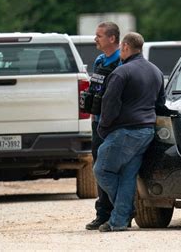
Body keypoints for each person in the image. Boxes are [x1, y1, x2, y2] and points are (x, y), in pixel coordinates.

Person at [93, 32, 165, 232]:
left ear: (124, 47)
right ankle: (118, 222)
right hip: (147, 132)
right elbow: (161, 104)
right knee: (127, 176)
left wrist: (103, 129)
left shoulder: (121, 72)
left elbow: (109, 105)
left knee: (102, 170)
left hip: (125, 132)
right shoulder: (156, 71)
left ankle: (125, 211)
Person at [83, 22, 121, 230]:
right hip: (97, 123)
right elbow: (94, 91)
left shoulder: (121, 62)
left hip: (113, 125)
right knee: (99, 169)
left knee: (112, 169)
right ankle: (102, 213)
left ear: (112, 39)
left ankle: (119, 212)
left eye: (99, 36)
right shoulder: (100, 60)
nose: (95, 39)